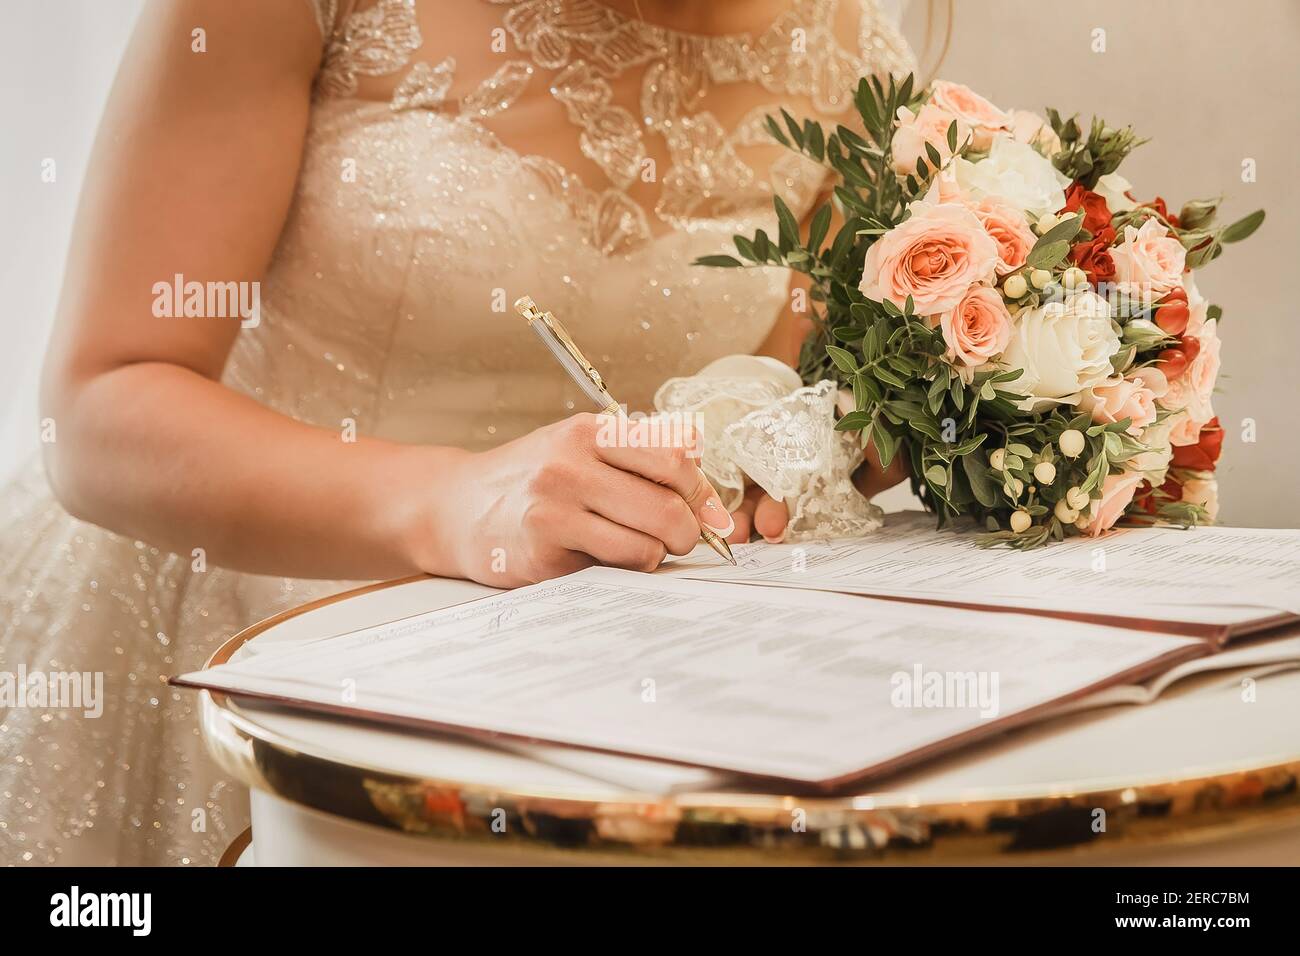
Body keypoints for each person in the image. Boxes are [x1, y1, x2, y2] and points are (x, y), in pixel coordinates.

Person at [0, 0, 912, 865]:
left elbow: (783, 388)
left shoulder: (843, 43)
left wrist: (817, 448)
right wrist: (461, 501)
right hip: (238, 616)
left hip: (595, 689)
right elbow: (97, 405)